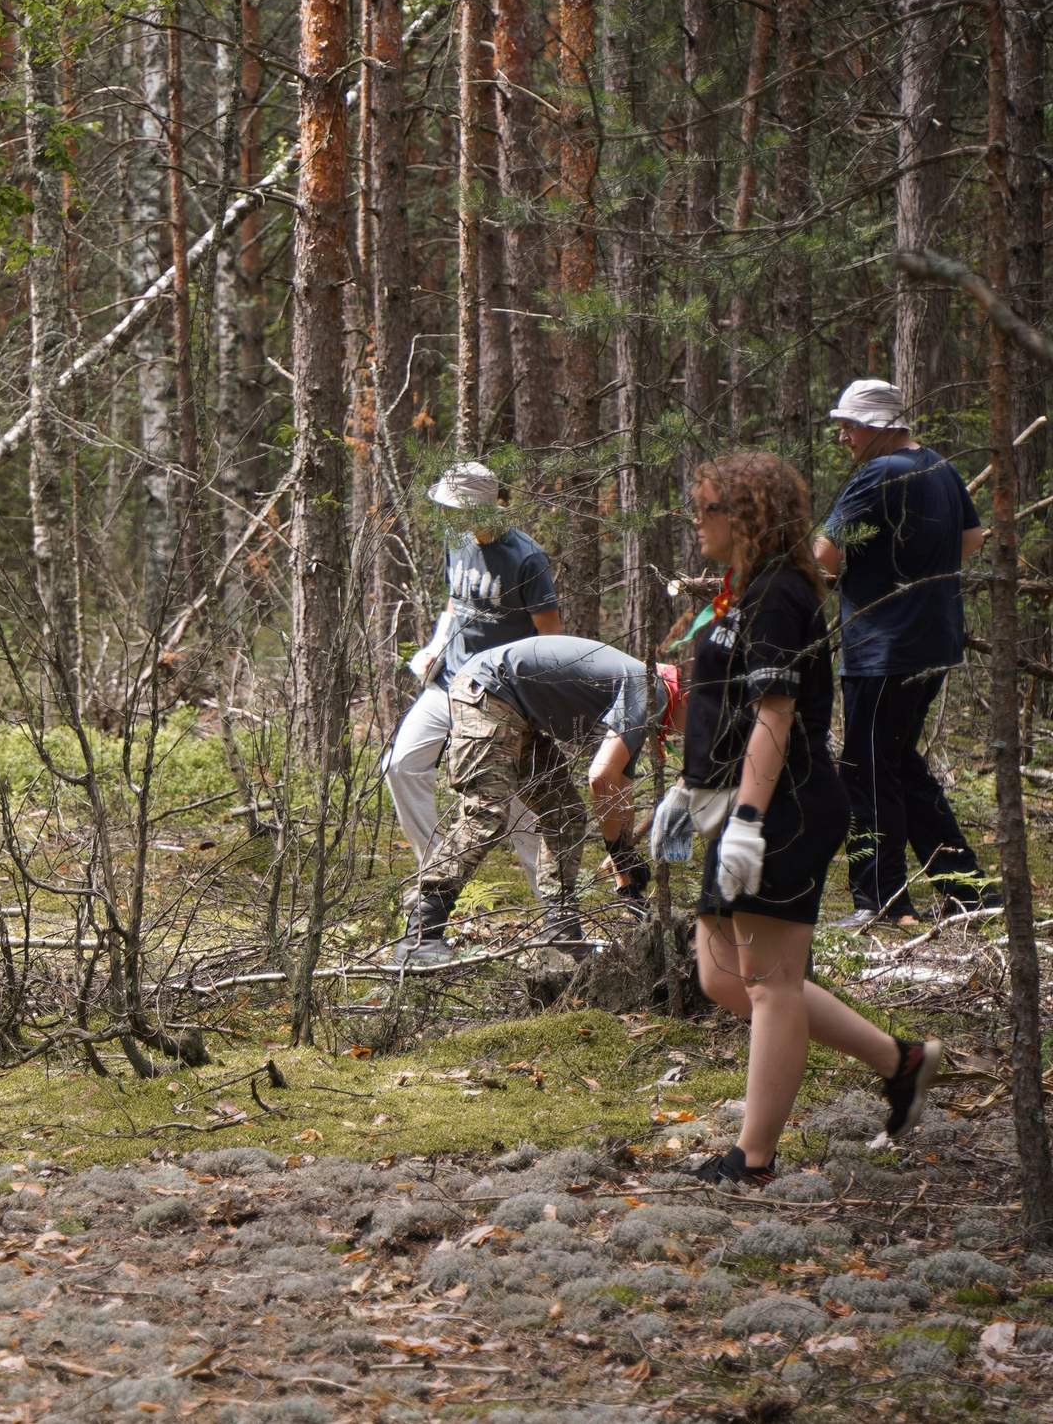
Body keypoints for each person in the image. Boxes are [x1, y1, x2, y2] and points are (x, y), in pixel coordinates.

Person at [678, 452, 941, 1189]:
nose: (696, 521)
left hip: (786, 805)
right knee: (723, 975)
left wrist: (750, 821)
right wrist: (690, 788)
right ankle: (901, 1060)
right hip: (742, 801)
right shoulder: (745, 591)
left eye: (706, 508)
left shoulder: (782, 595)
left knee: (768, 982)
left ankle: (752, 1160)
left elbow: (776, 713)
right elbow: (725, 708)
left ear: (747, 514)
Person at [813, 378, 997, 927]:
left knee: (867, 771)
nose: (843, 436)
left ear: (878, 426)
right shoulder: (939, 466)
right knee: (896, 763)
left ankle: (881, 901)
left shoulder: (878, 474)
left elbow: (824, 556)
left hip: (883, 647)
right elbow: (972, 538)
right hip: (934, 640)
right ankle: (968, 890)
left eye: (849, 426)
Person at [395, 636, 681, 966]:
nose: (688, 733)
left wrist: (626, 880)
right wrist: (619, 851)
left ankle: (561, 925)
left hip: (516, 706)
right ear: (687, 696)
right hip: (491, 689)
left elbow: (619, 789)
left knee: (564, 811)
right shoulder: (654, 688)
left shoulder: (648, 689)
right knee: (486, 809)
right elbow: (600, 777)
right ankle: (422, 932)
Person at [381, 462, 564, 898]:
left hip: (501, 695)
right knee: (401, 765)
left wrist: (533, 702)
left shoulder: (526, 557)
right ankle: (436, 879)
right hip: (449, 682)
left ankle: (554, 913)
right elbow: (455, 600)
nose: (444, 515)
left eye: (453, 507)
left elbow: (551, 638)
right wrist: (435, 646)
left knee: (521, 806)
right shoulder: (456, 540)